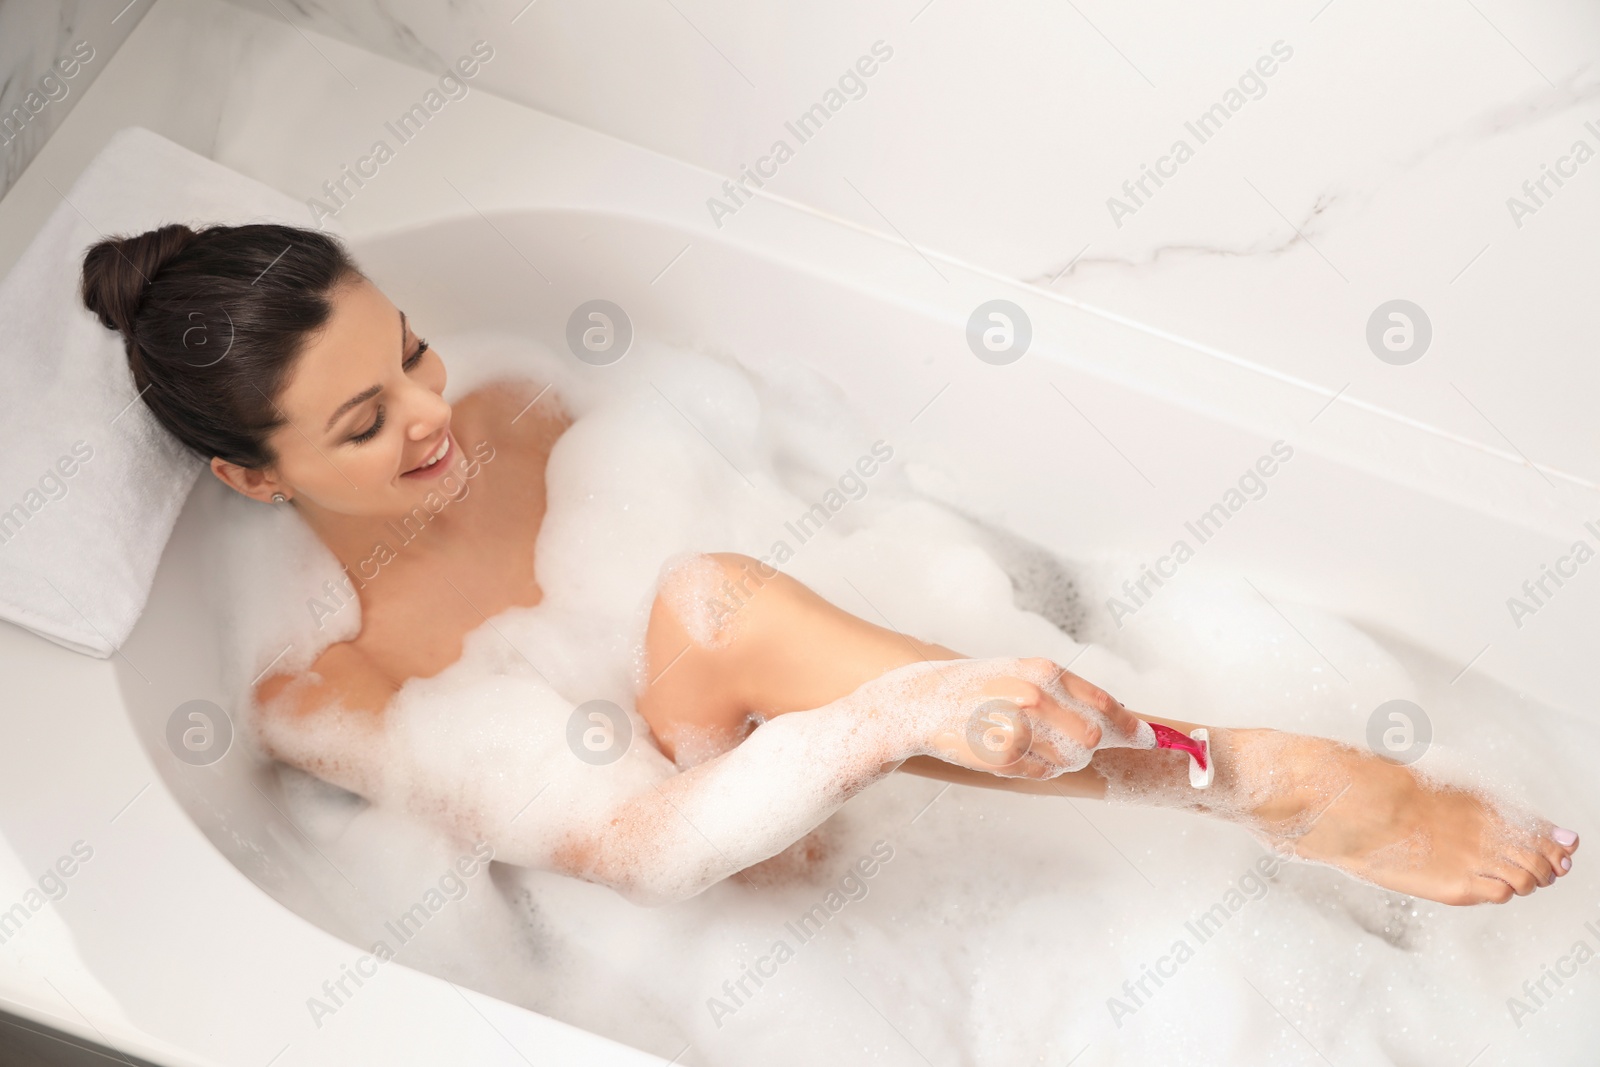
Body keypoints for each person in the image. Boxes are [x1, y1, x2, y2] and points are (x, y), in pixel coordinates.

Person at [80, 221, 1579, 907]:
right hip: (740, 851)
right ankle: (1253, 774)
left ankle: (1214, 764)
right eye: (367, 421)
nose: (432, 411)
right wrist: (885, 722)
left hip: (802, 701)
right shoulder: (323, 682)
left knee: (714, 600)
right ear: (249, 473)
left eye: (409, 350)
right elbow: (624, 851)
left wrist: (909, 694)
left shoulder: (527, 411)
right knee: (708, 601)